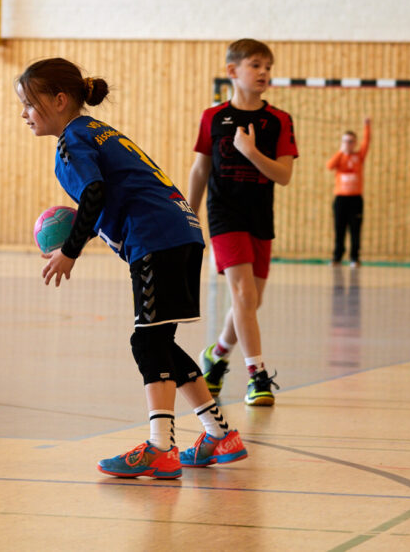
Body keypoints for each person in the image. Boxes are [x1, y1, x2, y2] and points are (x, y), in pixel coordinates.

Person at [17, 57, 247, 478]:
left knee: (147, 344)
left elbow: (95, 192)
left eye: (30, 104)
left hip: (155, 239)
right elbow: (109, 196)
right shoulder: (99, 132)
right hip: (180, 232)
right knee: (161, 343)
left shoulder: (72, 140)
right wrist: (82, 235)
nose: (24, 114)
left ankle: (161, 448)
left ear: (59, 100)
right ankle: (219, 434)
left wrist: (70, 250)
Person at [188, 39, 298, 407]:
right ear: (233, 71)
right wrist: (189, 213)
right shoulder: (214, 117)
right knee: (244, 296)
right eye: (255, 65)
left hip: (259, 217)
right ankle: (257, 376)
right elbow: (201, 167)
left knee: (252, 301)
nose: (264, 72)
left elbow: (283, 175)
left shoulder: (279, 120)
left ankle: (216, 357)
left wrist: (251, 152)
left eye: (268, 66)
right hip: (224, 216)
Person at [326, 117, 371, 266]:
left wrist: (367, 126)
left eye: (351, 141)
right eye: (346, 141)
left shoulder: (359, 156)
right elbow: (329, 166)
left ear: (355, 143)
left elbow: (367, 142)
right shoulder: (340, 157)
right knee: (339, 229)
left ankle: (354, 258)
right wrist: (341, 151)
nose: (348, 144)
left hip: (355, 199)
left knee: (355, 230)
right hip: (341, 199)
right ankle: (337, 257)